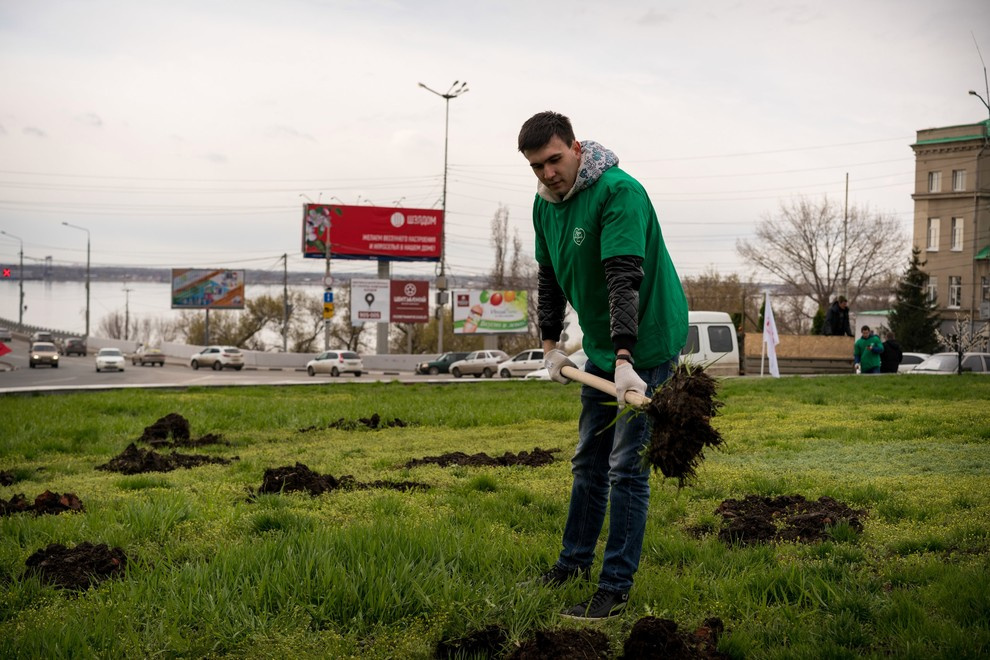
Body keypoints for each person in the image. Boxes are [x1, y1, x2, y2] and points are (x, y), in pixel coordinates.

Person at [517, 111, 688, 620]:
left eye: (554, 159)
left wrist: (626, 359)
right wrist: (550, 344)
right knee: (587, 461)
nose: (548, 173)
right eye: (536, 167)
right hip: (598, 345)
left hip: (646, 342)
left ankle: (614, 589)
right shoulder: (544, 205)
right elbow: (549, 280)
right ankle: (571, 565)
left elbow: (622, 279)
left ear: (575, 147)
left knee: (625, 469)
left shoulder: (619, 192)